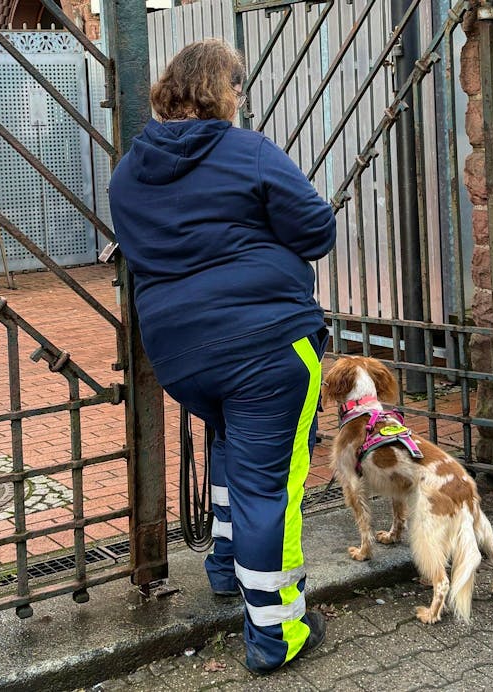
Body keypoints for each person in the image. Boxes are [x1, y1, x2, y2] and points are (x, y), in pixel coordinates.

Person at [107, 39, 336, 675]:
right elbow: (316, 230)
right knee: (271, 483)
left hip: (181, 355)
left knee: (232, 445)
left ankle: (225, 566)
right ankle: (277, 631)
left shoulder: (127, 173)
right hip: (266, 345)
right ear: (226, 91)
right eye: (239, 87)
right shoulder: (247, 151)